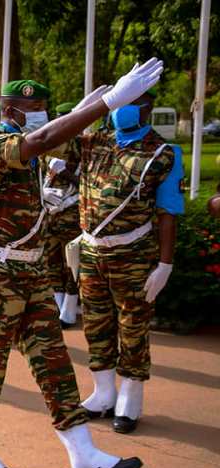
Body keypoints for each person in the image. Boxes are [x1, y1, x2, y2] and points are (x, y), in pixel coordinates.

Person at [0, 60, 163, 468]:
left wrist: (94, 106)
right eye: (33, 109)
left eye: (46, 108)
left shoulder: (29, 145)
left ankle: (83, 454)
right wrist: (109, 102)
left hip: (31, 274)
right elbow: (46, 138)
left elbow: (58, 135)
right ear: (10, 112)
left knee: (54, 365)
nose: (41, 115)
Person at [71, 87, 184, 434]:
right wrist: (86, 105)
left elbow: (168, 212)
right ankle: (103, 392)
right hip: (92, 252)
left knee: (133, 327)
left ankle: (130, 397)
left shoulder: (163, 153)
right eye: (120, 102)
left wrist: (165, 264)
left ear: (148, 107)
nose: (124, 109)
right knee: (95, 324)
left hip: (133, 254)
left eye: (133, 102)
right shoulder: (93, 140)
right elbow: (53, 142)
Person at [42, 102, 81, 328]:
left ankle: (69, 310)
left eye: (64, 117)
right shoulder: (50, 144)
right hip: (51, 212)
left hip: (72, 213)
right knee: (51, 260)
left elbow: (88, 182)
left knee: (71, 263)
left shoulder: (81, 146)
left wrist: (65, 172)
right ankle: (57, 307)